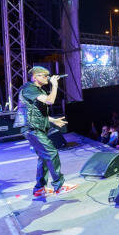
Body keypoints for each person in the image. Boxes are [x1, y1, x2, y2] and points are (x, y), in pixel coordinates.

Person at [15, 67, 75, 197]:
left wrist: (52, 120)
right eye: (44, 76)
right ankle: (59, 185)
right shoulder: (29, 88)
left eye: (48, 76)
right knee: (52, 153)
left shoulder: (36, 90)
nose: (47, 78)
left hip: (35, 127)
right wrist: (55, 85)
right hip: (32, 128)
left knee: (44, 157)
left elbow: (35, 112)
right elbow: (50, 101)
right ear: (35, 77)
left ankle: (39, 188)